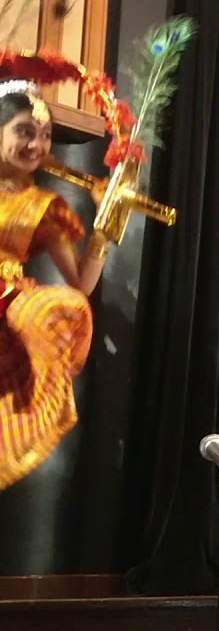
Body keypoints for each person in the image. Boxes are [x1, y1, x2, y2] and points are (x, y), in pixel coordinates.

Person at [0, 79, 108, 491]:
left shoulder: (43, 207)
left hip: (6, 315)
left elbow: (81, 285)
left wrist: (107, 224)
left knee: (58, 305)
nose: (37, 145)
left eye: (45, 135)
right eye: (24, 131)